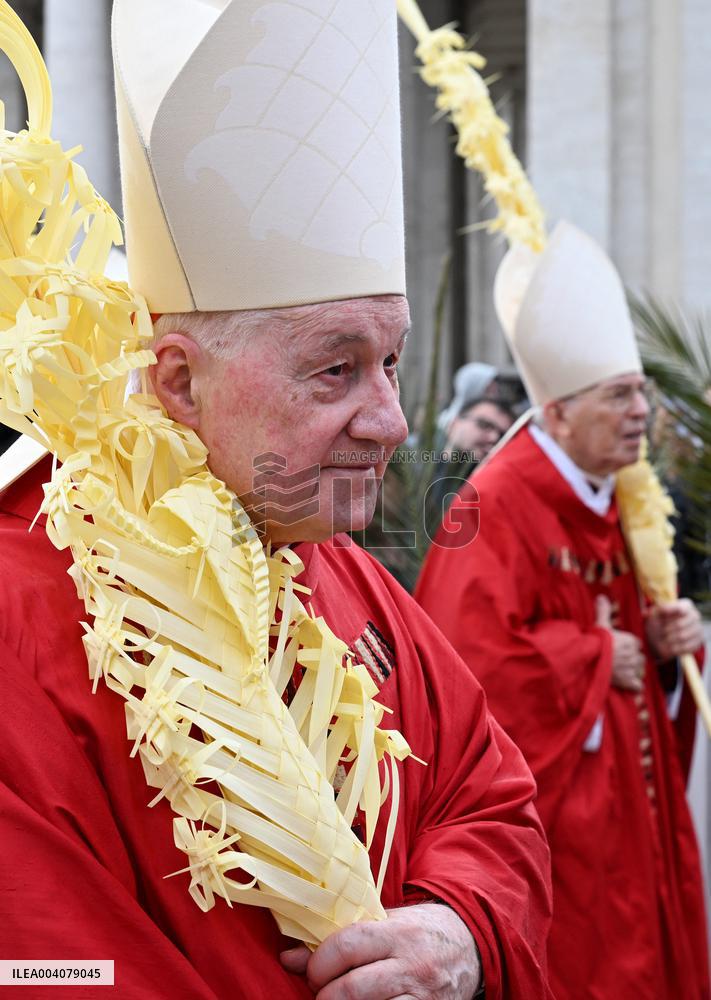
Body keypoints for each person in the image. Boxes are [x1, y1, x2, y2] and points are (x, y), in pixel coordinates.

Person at [0, 2, 553, 998]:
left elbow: (492, 797)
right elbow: (43, 962)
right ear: (177, 382)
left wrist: (462, 927)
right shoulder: (20, 609)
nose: (390, 419)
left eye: (392, 359)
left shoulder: (332, 564)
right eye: (334, 369)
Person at [416, 222, 710, 1000]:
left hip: (634, 812)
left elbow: (633, 649)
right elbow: (461, 675)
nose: (641, 412)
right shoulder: (493, 504)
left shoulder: (622, 499)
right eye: (619, 396)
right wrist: (586, 655)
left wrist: (666, 649)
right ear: (555, 414)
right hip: (562, 829)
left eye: (640, 392)